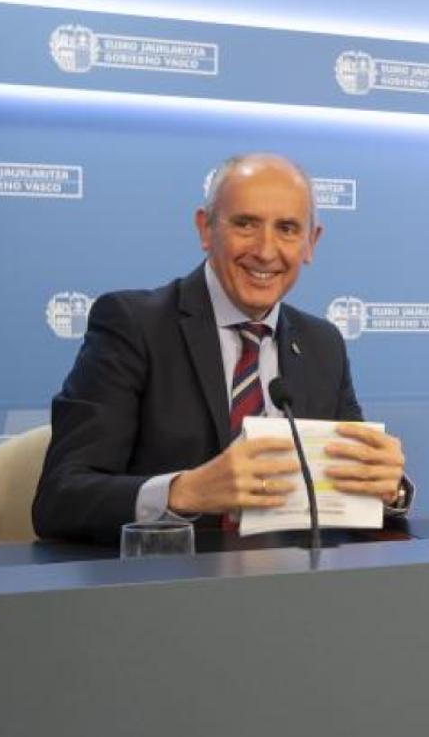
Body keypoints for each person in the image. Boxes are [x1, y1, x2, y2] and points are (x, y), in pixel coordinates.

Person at [33, 154, 409, 543]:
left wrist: (388, 490)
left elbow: (350, 488)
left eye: (287, 229)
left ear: (311, 243)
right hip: (170, 575)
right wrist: (185, 491)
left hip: (293, 575)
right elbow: (60, 498)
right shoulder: (133, 325)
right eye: (245, 224)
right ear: (205, 228)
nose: (266, 251)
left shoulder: (322, 344)